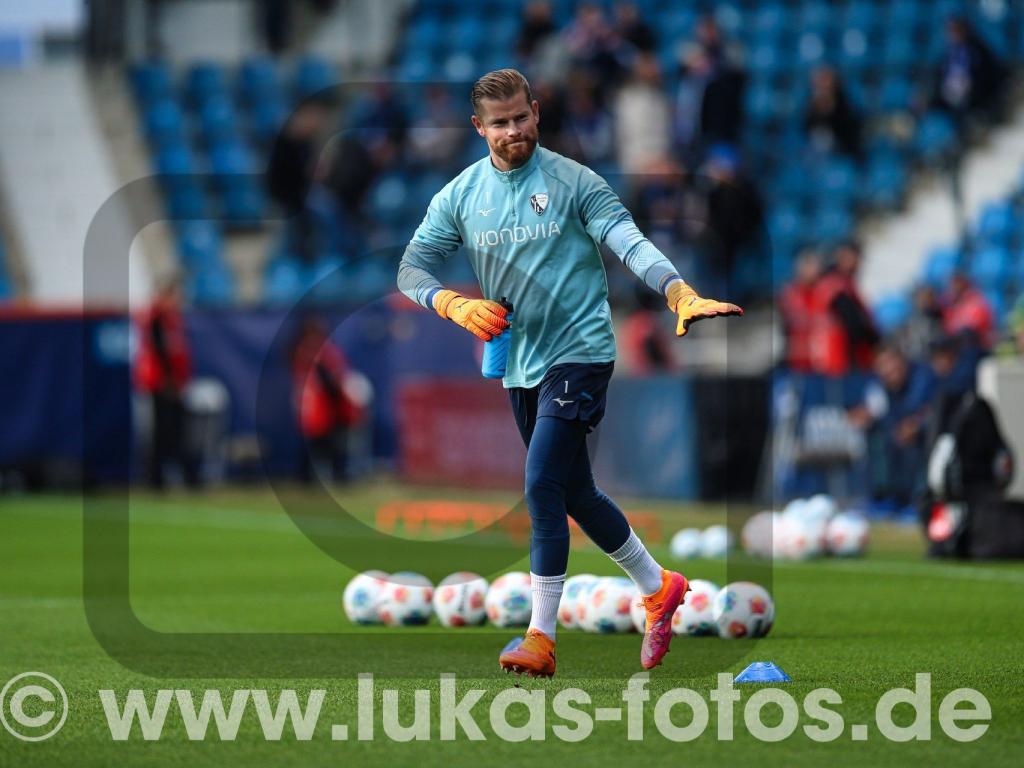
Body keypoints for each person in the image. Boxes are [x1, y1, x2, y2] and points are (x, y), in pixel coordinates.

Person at [397, 69, 743, 677]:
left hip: (580, 352)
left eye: (521, 117)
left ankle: (540, 637)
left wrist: (678, 291)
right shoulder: (459, 196)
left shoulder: (574, 181)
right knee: (575, 490)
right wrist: (451, 303)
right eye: (499, 124)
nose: (513, 131)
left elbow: (628, 240)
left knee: (540, 487)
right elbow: (412, 269)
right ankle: (657, 586)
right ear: (479, 128)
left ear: (536, 111)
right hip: (518, 360)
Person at [134, 277, 197, 488]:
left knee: (176, 430)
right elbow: (160, 350)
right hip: (161, 383)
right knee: (163, 430)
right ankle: (155, 477)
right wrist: (169, 379)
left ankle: (174, 475)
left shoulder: (172, 319)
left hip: (173, 381)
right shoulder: (157, 318)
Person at [289, 317, 362, 484]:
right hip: (317, 404)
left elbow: (338, 374)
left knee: (331, 442)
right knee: (316, 441)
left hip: (328, 404)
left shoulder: (325, 351)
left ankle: (336, 474)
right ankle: (309, 477)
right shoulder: (307, 351)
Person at [812, 241, 880, 375]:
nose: (856, 262)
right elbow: (853, 325)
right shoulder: (836, 285)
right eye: (851, 257)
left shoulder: (841, 283)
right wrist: (874, 340)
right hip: (841, 362)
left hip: (836, 362)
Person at [803, 66, 862, 160]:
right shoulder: (809, 101)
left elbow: (850, 128)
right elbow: (806, 126)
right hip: (816, 151)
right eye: (820, 81)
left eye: (825, 80)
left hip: (844, 148)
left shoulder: (845, 102)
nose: (822, 84)